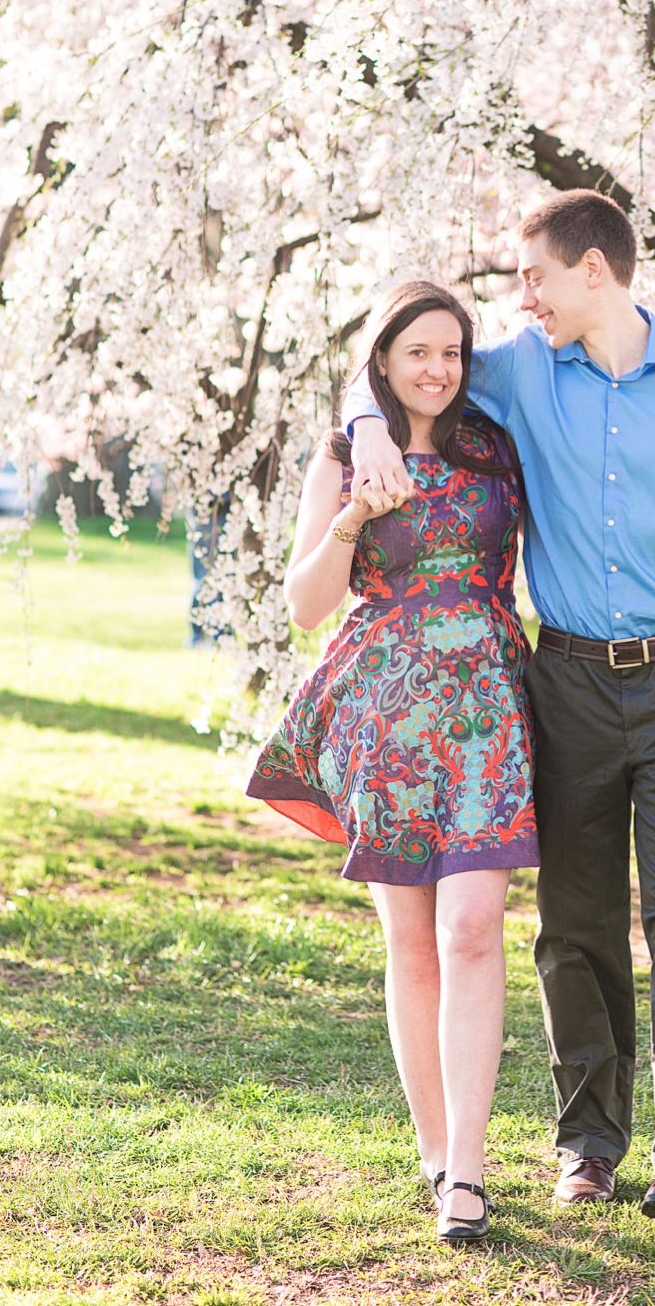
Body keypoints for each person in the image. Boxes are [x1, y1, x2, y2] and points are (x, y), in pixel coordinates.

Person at [345, 192, 655, 1230]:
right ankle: (588, 1143)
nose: (522, 298)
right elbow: (391, 352)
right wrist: (368, 421)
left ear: (594, 269)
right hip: (569, 679)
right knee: (575, 922)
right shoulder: (518, 369)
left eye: (534, 278)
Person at [246, 281, 537, 1246]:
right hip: (385, 711)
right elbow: (304, 605)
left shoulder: (495, 445)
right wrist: (350, 520)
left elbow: (568, 540)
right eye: (419, 350)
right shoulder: (340, 456)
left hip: (487, 706)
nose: (438, 368)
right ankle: (439, 1155)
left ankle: (475, 1166)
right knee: (413, 943)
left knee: (473, 927)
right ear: (383, 357)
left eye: (452, 351)